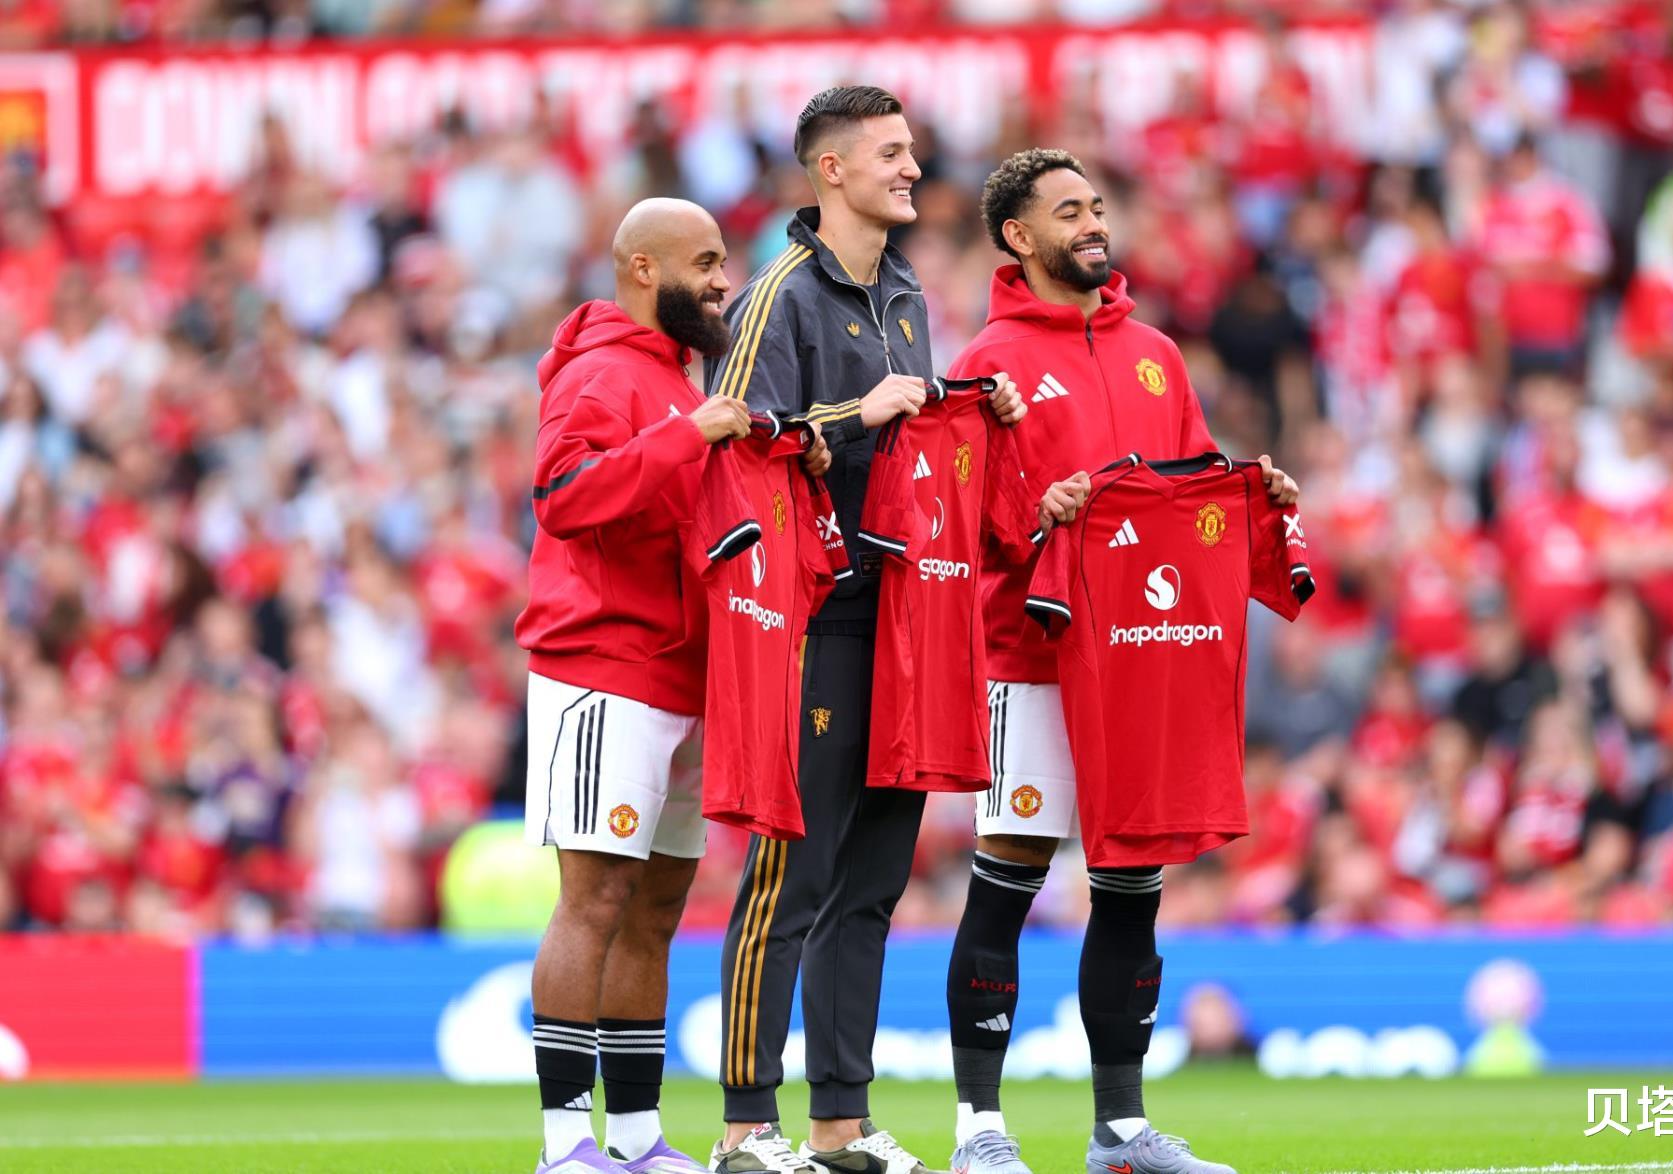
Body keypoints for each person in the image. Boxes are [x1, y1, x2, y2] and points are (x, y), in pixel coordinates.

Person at [703, 85, 1040, 1174]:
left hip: (905, 613)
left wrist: (968, 410)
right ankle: (745, 1127)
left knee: (871, 887)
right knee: (790, 878)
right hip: (811, 620)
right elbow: (734, 446)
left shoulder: (903, 293)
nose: (911, 168)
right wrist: (863, 412)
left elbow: (907, 448)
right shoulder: (778, 296)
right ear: (832, 169)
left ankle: (839, 1124)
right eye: (890, 152)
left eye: (911, 150)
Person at [942, 148, 1297, 1174]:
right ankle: (978, 1129)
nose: (1094, 223)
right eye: (1069, 211)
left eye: (1096, 206)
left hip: (1140, 657)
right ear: (1019, 236)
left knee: (1131, 885)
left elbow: (1187, 490)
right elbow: (961, 510)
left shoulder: (1157, 354)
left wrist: (1248, 492)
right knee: (1007, 879)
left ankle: (1121, 1132)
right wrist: (1036, 511)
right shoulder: (987, 359)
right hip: (1029, 656)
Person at [515, 198, 761, 1174]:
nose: (720, 280)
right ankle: (564, 1143)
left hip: (685, 674)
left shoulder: (675, 379)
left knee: (656, 906)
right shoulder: (599, 372)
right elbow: (561, 495)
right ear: (642, 268)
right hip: (603, 666)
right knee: (595, 897)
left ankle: (634, 1137)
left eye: (722, 261)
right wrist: (687, 436)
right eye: (704, 262)